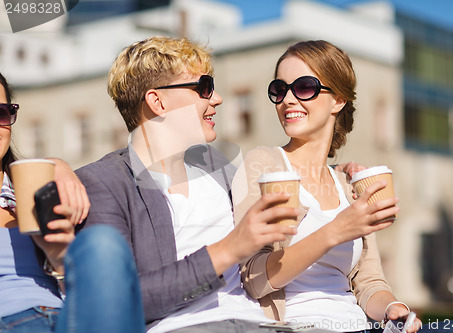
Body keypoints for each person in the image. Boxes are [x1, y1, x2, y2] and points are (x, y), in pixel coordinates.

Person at [75, 36, 303, 333]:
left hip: (263, 324)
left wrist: (341, 174)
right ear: (157, 102)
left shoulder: (220, 167)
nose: (217, 98)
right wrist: (228, 250)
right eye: (204, 87)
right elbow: (120, 298)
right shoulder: (105, 182)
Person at [231, 40, 422, 333]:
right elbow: (253, 278)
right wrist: (333, 232)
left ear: (338, 100)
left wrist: (392, 308)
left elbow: (368, 282)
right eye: (279, 90)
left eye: (304, 87)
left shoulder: (347, 184)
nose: (288, 100)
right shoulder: (263, 165)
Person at [0, 72, 144, 333]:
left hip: (65, 319)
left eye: (0, 113)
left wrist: (58, 258)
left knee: (103, 242)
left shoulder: (33, 189)